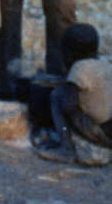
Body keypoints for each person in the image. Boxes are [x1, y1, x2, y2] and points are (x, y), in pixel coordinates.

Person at [37, 23, 112, 158]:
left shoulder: (79, 68)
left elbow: (68, 105)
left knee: (57, 96)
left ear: (70, 53)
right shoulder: (105, 64)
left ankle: (67, 149)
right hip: (109, 127)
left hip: (98, 132)